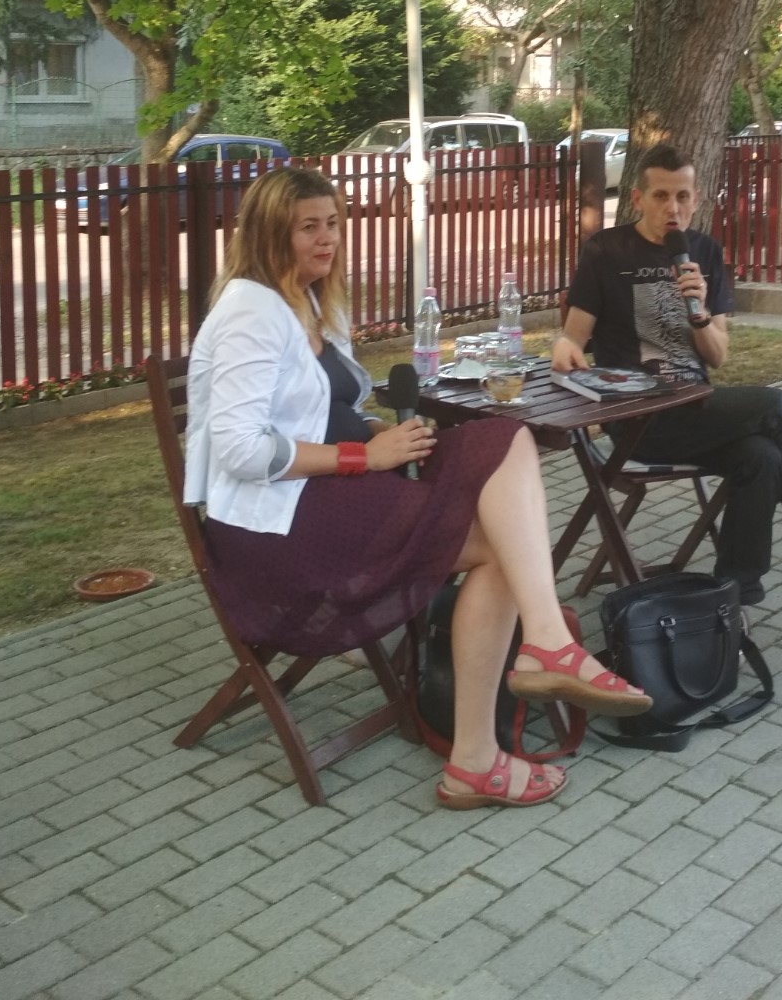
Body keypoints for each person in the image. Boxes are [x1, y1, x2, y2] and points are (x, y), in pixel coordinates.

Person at [185, 165, 651, 811]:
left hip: (335, 489)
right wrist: (361, 455)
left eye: (333, 223)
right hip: (280, 528)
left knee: (503, 437)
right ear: (268, 235)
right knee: (498, 546)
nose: (327, 239)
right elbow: (240, 451)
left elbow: (320, 408)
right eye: (308, 227)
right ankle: (485, 743)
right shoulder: (250, 312)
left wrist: (380, 432)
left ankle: (542, 646)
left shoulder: (309, 301)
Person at [552, 143, 782, 631]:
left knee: (762, 456)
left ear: (696, 199)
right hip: (638, 419)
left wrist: (699, 312)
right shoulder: (606, 251)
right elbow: (573, 336)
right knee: (774, 404)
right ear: (638, 198)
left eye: (682, 196)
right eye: (660, 195)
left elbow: (717, 356)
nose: (672, 207)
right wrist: (565, 348)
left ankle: (731, 599)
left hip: (695, 407)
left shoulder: (704, 252)